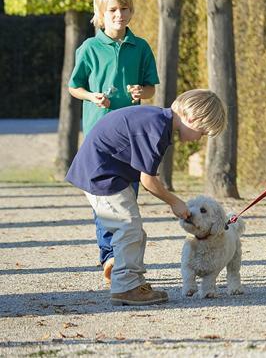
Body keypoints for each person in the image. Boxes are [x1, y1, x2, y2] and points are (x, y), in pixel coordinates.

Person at [65, 89, 227, 306]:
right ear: (192, 118)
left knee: (133, 231)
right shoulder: (157, 129)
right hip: (100, 174)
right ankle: (125, 287)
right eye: (202, 132)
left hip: (106, 171)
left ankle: (133, 282)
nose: (199, 139)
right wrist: (174, 201)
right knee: (128, 228)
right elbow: (148, 181)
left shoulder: (158, 121)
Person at [68, 0, 159, 286]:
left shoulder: (141, 47)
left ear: (130, 10)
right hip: (99, 137)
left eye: (124, 9)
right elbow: (73, 86)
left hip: (131, 136)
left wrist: (140, 91)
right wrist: (92, 96)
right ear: (100, 14)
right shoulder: (89, 48)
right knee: (103, 198)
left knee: (128, 197)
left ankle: (118, 257)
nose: (119, 15)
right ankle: (109, 257)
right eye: (112, 10)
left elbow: (150, 87)